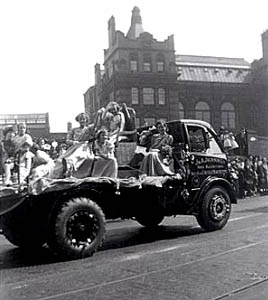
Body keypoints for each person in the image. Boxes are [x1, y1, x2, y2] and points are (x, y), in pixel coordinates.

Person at [52, 112, 96, 178]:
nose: (82, 121)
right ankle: (67, 167)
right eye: (80, 119)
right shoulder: (73, 130)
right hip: (75, 147)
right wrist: (73, 142)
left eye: (84, 119)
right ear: (78, 120)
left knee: (83, 156)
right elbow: (67, 140)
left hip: (85, 147)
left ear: (86, 120)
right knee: (60, 159)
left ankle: (70, 166)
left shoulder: (89, 130)